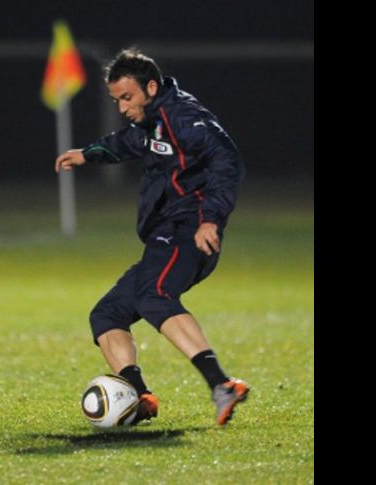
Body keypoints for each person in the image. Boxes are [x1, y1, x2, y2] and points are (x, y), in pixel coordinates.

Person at [55, 48, 250, 426]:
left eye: (127, 98)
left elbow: (227, 162)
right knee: (107, 314)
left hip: (189, 231)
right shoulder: (152, 121)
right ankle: (139, 397)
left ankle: (221, 385)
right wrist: (87, 154)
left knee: (154, 295)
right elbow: (127, 141)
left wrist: (210, 219)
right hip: (165, 234)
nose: (123, 107)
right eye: (116, 100)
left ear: (151, 86)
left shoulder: (184, 117)